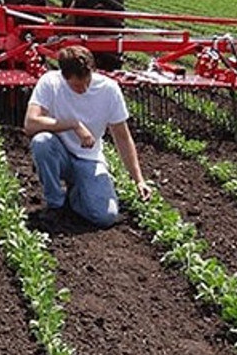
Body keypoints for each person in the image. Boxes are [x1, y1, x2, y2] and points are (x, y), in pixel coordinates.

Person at [23, 45, 151, 227]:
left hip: (88, 158)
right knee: (41, 142)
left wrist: (139, 180)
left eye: (87, 81)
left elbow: (122, 137)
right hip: (59, 154)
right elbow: (30, 124)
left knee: (105, 217)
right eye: (76, 85)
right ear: (64, 76)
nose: (83, 89)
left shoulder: (109, 90)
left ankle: (76, 195)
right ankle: (55, 204)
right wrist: (73, 124)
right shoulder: (50, 82)